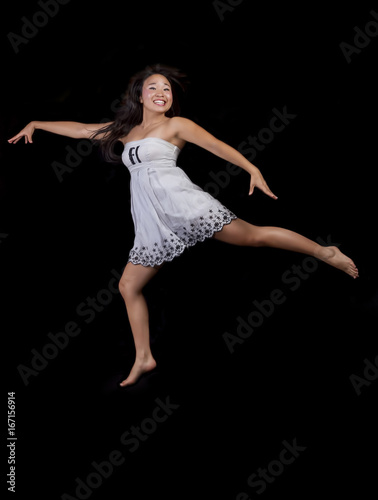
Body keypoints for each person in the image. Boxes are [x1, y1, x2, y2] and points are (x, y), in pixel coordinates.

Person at [8, 64, 359, 387]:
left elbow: (217, 146)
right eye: (153, 87)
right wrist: (37, 123)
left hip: (182, 203)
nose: (161, 92)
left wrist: (251, 169)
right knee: (128, 286)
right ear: (140, 95)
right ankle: (144, 357)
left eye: (167, 89)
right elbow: (83, 130)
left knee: (252, 237)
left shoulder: (177, 124)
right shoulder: (125, 131)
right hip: (152, 220)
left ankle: (324, 251)